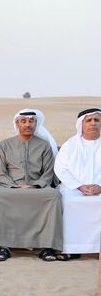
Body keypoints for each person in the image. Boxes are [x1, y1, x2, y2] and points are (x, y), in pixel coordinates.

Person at [0, 109, 62, 261]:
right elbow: (0, 172)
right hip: (10, 186)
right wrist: (15, 186)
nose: (28, 125)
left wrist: (36, 185)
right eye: (24, 121)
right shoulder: (5, 145)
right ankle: (3, 246)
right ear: (17, 124)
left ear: (36, 124)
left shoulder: (44, 146)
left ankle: (47, 247)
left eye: (31, 121)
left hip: (37, 186)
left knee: (54, 196)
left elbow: (48, 172)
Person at [54, 108, 101, 258]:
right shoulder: (70, 145)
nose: (93, 123)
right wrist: (80, 186)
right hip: (73, 188)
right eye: (89, 120)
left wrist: (100, 187)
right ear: (81, 124)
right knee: (68, 201)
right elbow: (61, 169)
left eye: (97, 120)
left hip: (99, 189)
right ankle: (72, 249)